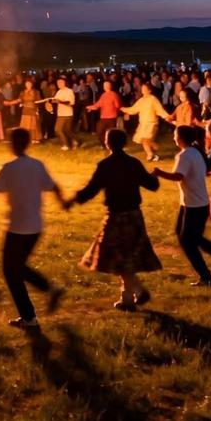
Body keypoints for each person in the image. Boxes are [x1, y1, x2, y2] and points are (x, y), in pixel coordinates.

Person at [0, 128, 65, 329]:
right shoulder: (37, 165)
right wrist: (64, 203)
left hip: (18, 228)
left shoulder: (10, 168)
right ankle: (44, 297)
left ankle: (33, 314)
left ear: (13, 144)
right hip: (35, 227)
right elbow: (55, 187)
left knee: (12, 271)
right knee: (17, 268)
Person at [66, 128, 161, 310]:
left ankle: (139, 291)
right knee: (125, 257)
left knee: (117, 256)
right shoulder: (133, 163)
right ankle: (127, 299)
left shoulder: (105, 165)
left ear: (107, 143)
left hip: (116, 216)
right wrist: (153, 177)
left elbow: (91, 190)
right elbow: (152, 186)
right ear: (125, 143)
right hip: (134, 215)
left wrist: (73, 200)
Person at [154, 125, 211, 287]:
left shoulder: (185, 155)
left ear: (180, 138)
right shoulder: (195, 151)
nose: (173, 137)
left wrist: (159, 173)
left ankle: (207, 277)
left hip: (194, 205)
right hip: (193, 202)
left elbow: (178, 176)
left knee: (188, 241)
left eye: (174, 134)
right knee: (187, 236)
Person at [121, 83, 170, 162]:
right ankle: (150, 155)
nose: (143, 90)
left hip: (151, 123)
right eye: (142, 89)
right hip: (143, 123)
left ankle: (154, 150)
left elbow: (160, 110)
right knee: (143, 140)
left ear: (149, 90)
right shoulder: (141, 100)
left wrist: (167, 116)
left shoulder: (153, 99)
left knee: (147, 139)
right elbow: (134, 109)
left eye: (145, 89)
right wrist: (124, 109)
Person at [87, 81, 122, 149]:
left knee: (110, 133)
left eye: (107, 85)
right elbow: (98, 104)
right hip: (103, 117)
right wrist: (91, 107)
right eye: (104, 85)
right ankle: (104, 144)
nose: (105, 87)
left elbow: (118, 105)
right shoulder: (103, 95)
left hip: (112, 117)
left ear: (110, 86)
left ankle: (112, 146)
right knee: (99, 131)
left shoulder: (114, 95)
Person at [49, 77, 78, 151]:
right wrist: (50, 101)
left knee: (59, 130)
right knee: (65, 131)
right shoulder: (59, 92)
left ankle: (66, 145)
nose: (59, 84)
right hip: (60, 114)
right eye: (58, 83)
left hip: (68, 114)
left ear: (64, 83)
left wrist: (60, 102)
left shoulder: (69, 91)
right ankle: (75, 141)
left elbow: (71, 102)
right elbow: (55, 100)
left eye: (60, 82)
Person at [11, 78, 42, 143]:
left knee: (33, 125)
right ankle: (25, 138)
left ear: (31, 84)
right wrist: (14, 102)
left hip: (33, 109)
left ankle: (34, 138)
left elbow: (39, 100)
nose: (28, 85)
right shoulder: (23, 92)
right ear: (25, 84)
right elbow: (20, 99)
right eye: (27, 84)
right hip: (25, 110)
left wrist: (37, 107)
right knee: (25, 125)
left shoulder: (36, 92)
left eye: (29, 84)